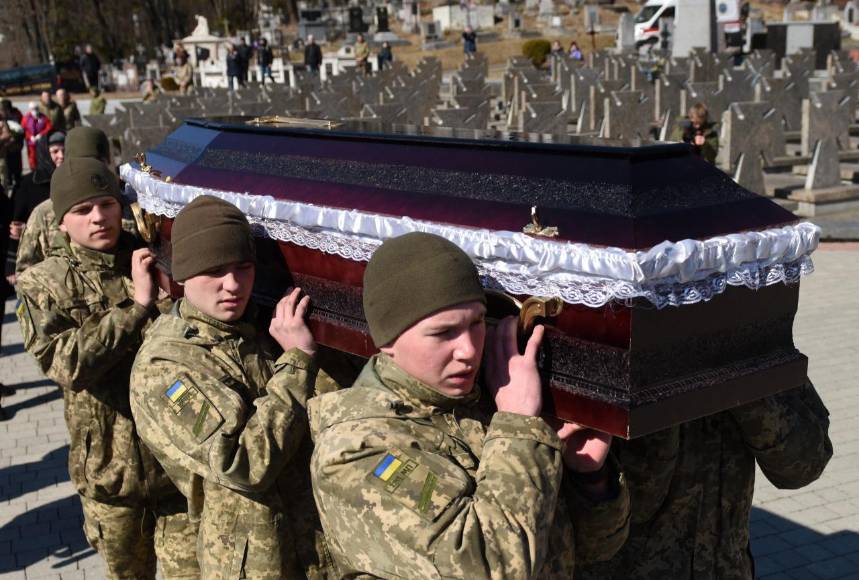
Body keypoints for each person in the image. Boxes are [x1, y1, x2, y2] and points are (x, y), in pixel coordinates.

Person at [310, 232, 630, 578]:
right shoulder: (355, 452)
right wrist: (517, 426)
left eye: (476, 322)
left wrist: (588, 478)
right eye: (443, 333)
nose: (468, 349)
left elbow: (592, 551)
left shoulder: (483, 401)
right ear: (388, 340)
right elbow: (492, 567)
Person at [129, 195, 341, 579]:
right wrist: (297, 363)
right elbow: (242, 463)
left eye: (243, 267)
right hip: (255, 560)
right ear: (183, 274)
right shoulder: (164, 367)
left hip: (310, 540)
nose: (232, 285)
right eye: (214, 270)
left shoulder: (248, 326)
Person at [15, 157, 199, 579]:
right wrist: (136, 308)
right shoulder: (43, 284)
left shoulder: (157, 257)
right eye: (82, 210)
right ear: (62, 222)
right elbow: (67, 364)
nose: (98, 217)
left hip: (176, 468)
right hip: (112, 479)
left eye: (106, 204)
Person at [577, 379, 832, 580]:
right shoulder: (609, 341)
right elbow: (602, 527)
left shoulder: (749, 339)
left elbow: (806, 465)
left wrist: (744, 380)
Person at [15, 127, 111, 278]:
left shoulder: (124, 205)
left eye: (98, 163)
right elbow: (25, 273)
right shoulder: (45, 213)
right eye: (84, 164)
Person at [6, 130, 64, 285]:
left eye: (65, 150)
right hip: (37, 262)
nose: (61, 156)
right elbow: (14, 227)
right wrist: (11, 264)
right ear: (45, 152)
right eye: (55, 151)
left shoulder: (76, 180)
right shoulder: (28, 184)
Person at [21, 102, 52, 170]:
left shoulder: (43, 117)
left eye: (36, 108)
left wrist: (41, 134)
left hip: (41, 142)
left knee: (42, 157)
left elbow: (49, 127)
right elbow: (24, 129)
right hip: (31, 143)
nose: (34, 110)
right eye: (32, 108)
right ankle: (33, 170)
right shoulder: (26, 118)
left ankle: (42, 169)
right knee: (32, 158)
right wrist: (30, 136)